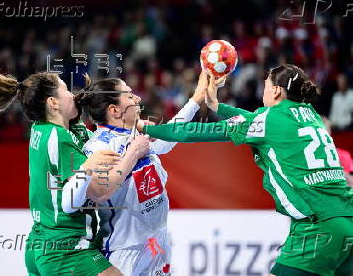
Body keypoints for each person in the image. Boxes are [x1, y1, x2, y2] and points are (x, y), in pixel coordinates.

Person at [0, 63, 150, 275]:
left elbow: (92, 134)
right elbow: (98, 191)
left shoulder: (46, 127)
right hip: (66, 249)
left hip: (40, 243)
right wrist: (132, 153)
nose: (73, 94)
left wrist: (126, 124)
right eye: (65, 89)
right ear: (54, 103)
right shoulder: (59, 138)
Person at [142, 64, 353, 276]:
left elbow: (190, 132)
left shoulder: (269, 120)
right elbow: (254, 120)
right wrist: (217, 106)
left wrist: (146, 128)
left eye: (266, 86)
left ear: (276, 91)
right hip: (347, 219)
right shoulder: (311, 115)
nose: (264, 91)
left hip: (318, 227)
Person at [76, 72, 207, 275]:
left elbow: (169, 137)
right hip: (126, 250)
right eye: (129, 95)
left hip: (156, 241)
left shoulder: (137, 131)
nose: (137, 98)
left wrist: (197, 98)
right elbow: (99, 192)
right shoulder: (99, 147)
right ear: (115, 110)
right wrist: (132, 153)